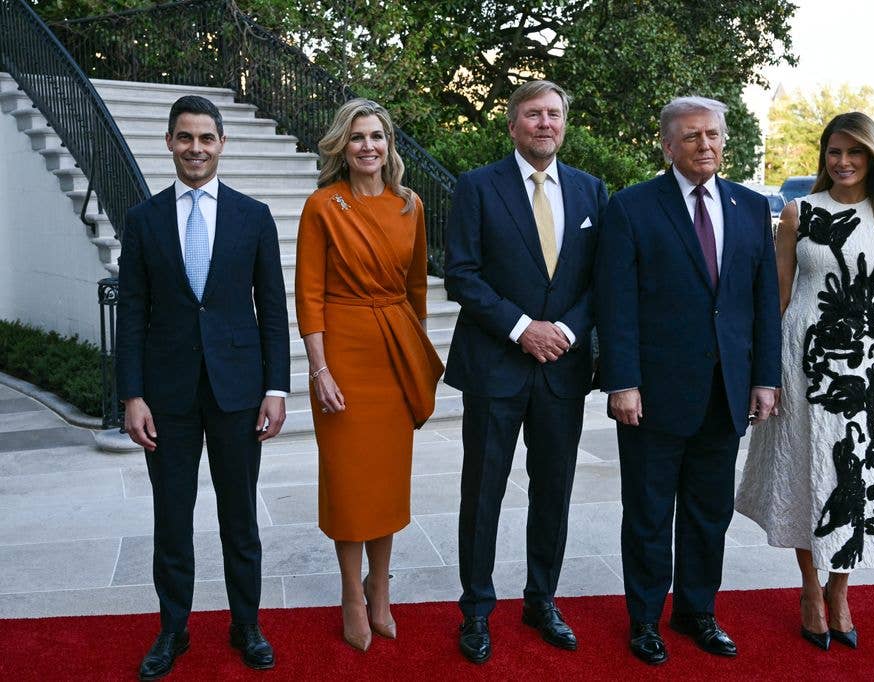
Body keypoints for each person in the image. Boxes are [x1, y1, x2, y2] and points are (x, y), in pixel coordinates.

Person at [595, 96, 781, 665]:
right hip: (652, 395)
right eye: (693, 137)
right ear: (668, 145)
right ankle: (645, 620)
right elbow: (616, 304)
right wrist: (621, 382)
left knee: (708, 513)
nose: (706, 146)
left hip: (726, 391)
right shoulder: (631, 208)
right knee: (649, 513)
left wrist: (765, 379)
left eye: (714, 135)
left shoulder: (750, 208)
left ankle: (697, 611)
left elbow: (762, 302)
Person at [117, 95, 289, 678]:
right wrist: (132, 394)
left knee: (239, 517)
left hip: (239, 392)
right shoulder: (142, 220)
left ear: (221, 144)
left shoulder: (253, 215)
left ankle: (247, 625)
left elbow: (271, 306)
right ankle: (174, 629)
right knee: (172, 517)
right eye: (185, 137)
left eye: (206, 138)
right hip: (167, 397)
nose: (196, 148)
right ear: (170, 142)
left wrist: (277, 387)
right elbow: (133, 311)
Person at [735, 111, 874, 651]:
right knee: (806, 473)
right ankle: (811, 589)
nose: (842, 162)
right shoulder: (799, 214)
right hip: (801, 360)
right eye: (834, 152)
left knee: (856, 477)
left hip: (869, 368)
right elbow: (778, 299)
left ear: (873, 157)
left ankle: (841, 590)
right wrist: (764, 374)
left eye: (854, 152)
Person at [444, 80, 608, 664]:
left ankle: (542, 600)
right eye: (533, 114)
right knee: (482, 492)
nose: (545, 123)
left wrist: (564, 330)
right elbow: (461, 274)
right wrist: (521, 328)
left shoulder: (592, 192)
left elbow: (599, 281)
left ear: (565, 124)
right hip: (495, 367)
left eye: (554, 115)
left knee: (554, 491)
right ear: (512, 125)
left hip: (562, 369)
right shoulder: (477, 186)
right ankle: (477, 609)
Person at [294, 98, 443, 651]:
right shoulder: (322, 205)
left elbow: (417, 291)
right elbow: (307, 292)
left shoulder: (410, 205)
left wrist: (415, 357)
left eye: (377, 136)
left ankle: (380, 586)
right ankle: (350, 595)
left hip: (394, 350)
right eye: (357, 137)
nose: (368, 146)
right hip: (344, 354)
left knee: (385, 479)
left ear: (389, 145)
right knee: (349, 480)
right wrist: (319, 368)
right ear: (342, 145)